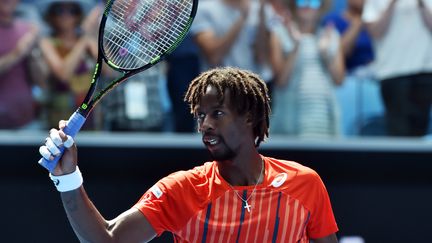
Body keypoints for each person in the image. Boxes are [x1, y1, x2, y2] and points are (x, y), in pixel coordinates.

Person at [38, 67, 339, 242]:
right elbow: (107, 240)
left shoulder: (305, 185)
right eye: (200, 116)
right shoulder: (182, 189)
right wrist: (68, 180)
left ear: (249, 117)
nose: (205, 125)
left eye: (217, 113)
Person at [270, 0, 345, 138]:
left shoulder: (331, 35)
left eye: (314, 2)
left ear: (322, 5)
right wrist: (296, 47)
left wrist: (325, 54)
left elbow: (339, 80)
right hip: (289, 124)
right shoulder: (279, 33)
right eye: (302, 1)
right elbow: (280, 81)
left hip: (323, 121)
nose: (308, 6)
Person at [362, 0, 432, 136]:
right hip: (392, 72)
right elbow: (375, 32)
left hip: (425, 71)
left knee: (420, 129)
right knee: (398, 130)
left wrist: (422, 4)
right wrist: (392, 3)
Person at [322, 0, 384, 136]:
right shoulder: (333, 20)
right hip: (347, 85)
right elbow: (341, 52)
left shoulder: (377, 21)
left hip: (377, 83)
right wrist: (358, 22)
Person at [39, 0, 98, 130]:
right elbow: (63, 74)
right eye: (60, 10)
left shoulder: (89, 41)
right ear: (51, 16)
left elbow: (110, 70)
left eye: (73, 11)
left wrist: (91, 37)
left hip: (88, 117)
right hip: (58, 119)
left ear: (79, 16)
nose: (66, 15)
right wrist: (83, 40)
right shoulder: (47, 42)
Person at [191, 0, 279, 85]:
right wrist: (242, 18)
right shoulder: (204, 9)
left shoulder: (262, 8)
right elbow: (214, 57)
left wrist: (262, 18)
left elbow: (262, 58)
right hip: (221, 88)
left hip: (258, 87)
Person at [0, 0, 46, 129]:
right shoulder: (27, 33)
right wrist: (18, 52)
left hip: (26, 123)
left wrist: (33, 54)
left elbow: (41, 81)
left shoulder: (27, 30)